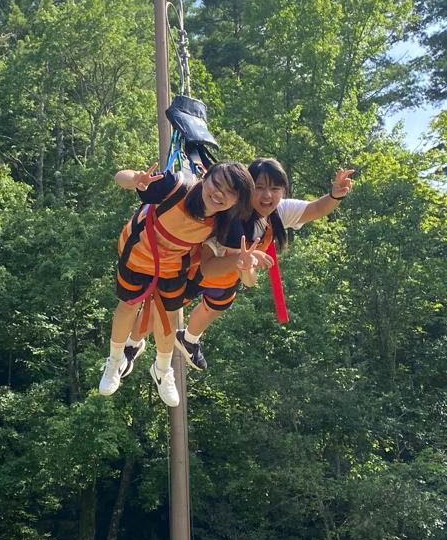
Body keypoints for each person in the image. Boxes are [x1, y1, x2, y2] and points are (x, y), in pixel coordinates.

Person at [99, 161, 254, 407]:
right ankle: (115, 360)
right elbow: (120, 176)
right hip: (139, 252)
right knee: (128, 306)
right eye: (216, 183)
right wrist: (135, 179)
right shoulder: (176, 186)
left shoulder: (227, 221)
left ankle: (162, 369)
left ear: (238, 201)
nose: (219, 194)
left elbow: (238, 269)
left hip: (173, 264)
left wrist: (242, 264)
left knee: (169, 315)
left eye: (230, 192)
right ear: (205, 177)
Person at [177, 160, 355, 371]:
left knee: (214, 308)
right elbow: (207, 267)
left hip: (229, 279)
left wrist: (335, 196)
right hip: (194, 273)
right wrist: (241, 260)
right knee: (160, 313)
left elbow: (315, 208)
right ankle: (147, 354)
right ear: (246, 188)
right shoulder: (226, 214)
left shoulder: (278, 211)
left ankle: (189, 340)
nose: (267, 195)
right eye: (259, 187)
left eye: (275, 188)